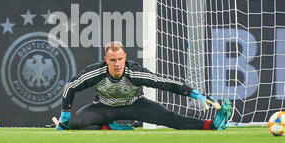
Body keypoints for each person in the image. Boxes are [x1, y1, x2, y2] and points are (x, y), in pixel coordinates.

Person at [55, 41, 233, 131]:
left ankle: (211, 125)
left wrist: (194, 93)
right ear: (105, 60)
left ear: (125, 57)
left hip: (135, 105)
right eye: (113, 60)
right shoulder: (96, 72)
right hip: (104, 107)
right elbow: (71, 86)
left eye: (120, 59)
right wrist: (64, 116)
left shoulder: (134, 72)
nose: (117, 64)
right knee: (76, 123)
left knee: (171, 118)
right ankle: (109, 127)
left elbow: (164, 82)